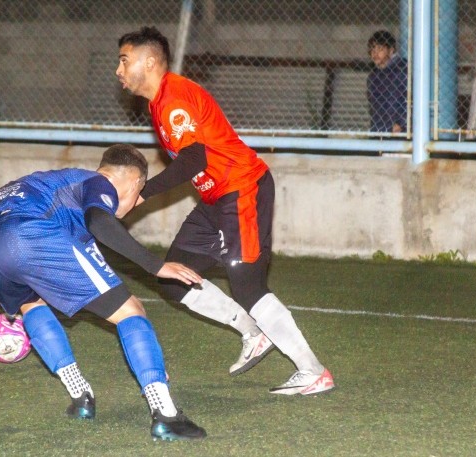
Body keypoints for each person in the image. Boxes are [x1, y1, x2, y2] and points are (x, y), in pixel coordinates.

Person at [115, 26, 334, 395]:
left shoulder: (174, 97)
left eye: (124, 60)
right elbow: (198, 162)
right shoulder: (159, 103)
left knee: (248, 285)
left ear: (149, 61)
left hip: (241, 189)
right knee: (173, 279)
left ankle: (313, 371)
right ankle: (253, 332)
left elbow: (192, 160)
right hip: (217, 198)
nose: (118, 70)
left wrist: (142, 193)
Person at [0, 144, 207, 440]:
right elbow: (100, 222)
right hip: (28, 235)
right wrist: (156, 266)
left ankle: (81, 398)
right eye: (137, 195)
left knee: (31, 305)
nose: (132, 206)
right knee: (131, 311)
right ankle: (165, 414)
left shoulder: (53, 184)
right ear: (134, 181)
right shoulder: (97, 182)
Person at [367, 30, 408, 133]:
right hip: (380, 128)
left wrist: (401, 123)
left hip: (399, 131)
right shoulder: (373, 76)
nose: (375, 54)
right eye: (372, 50)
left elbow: (410, 98)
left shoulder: (403, 70)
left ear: (391, 50)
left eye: (380, 49)